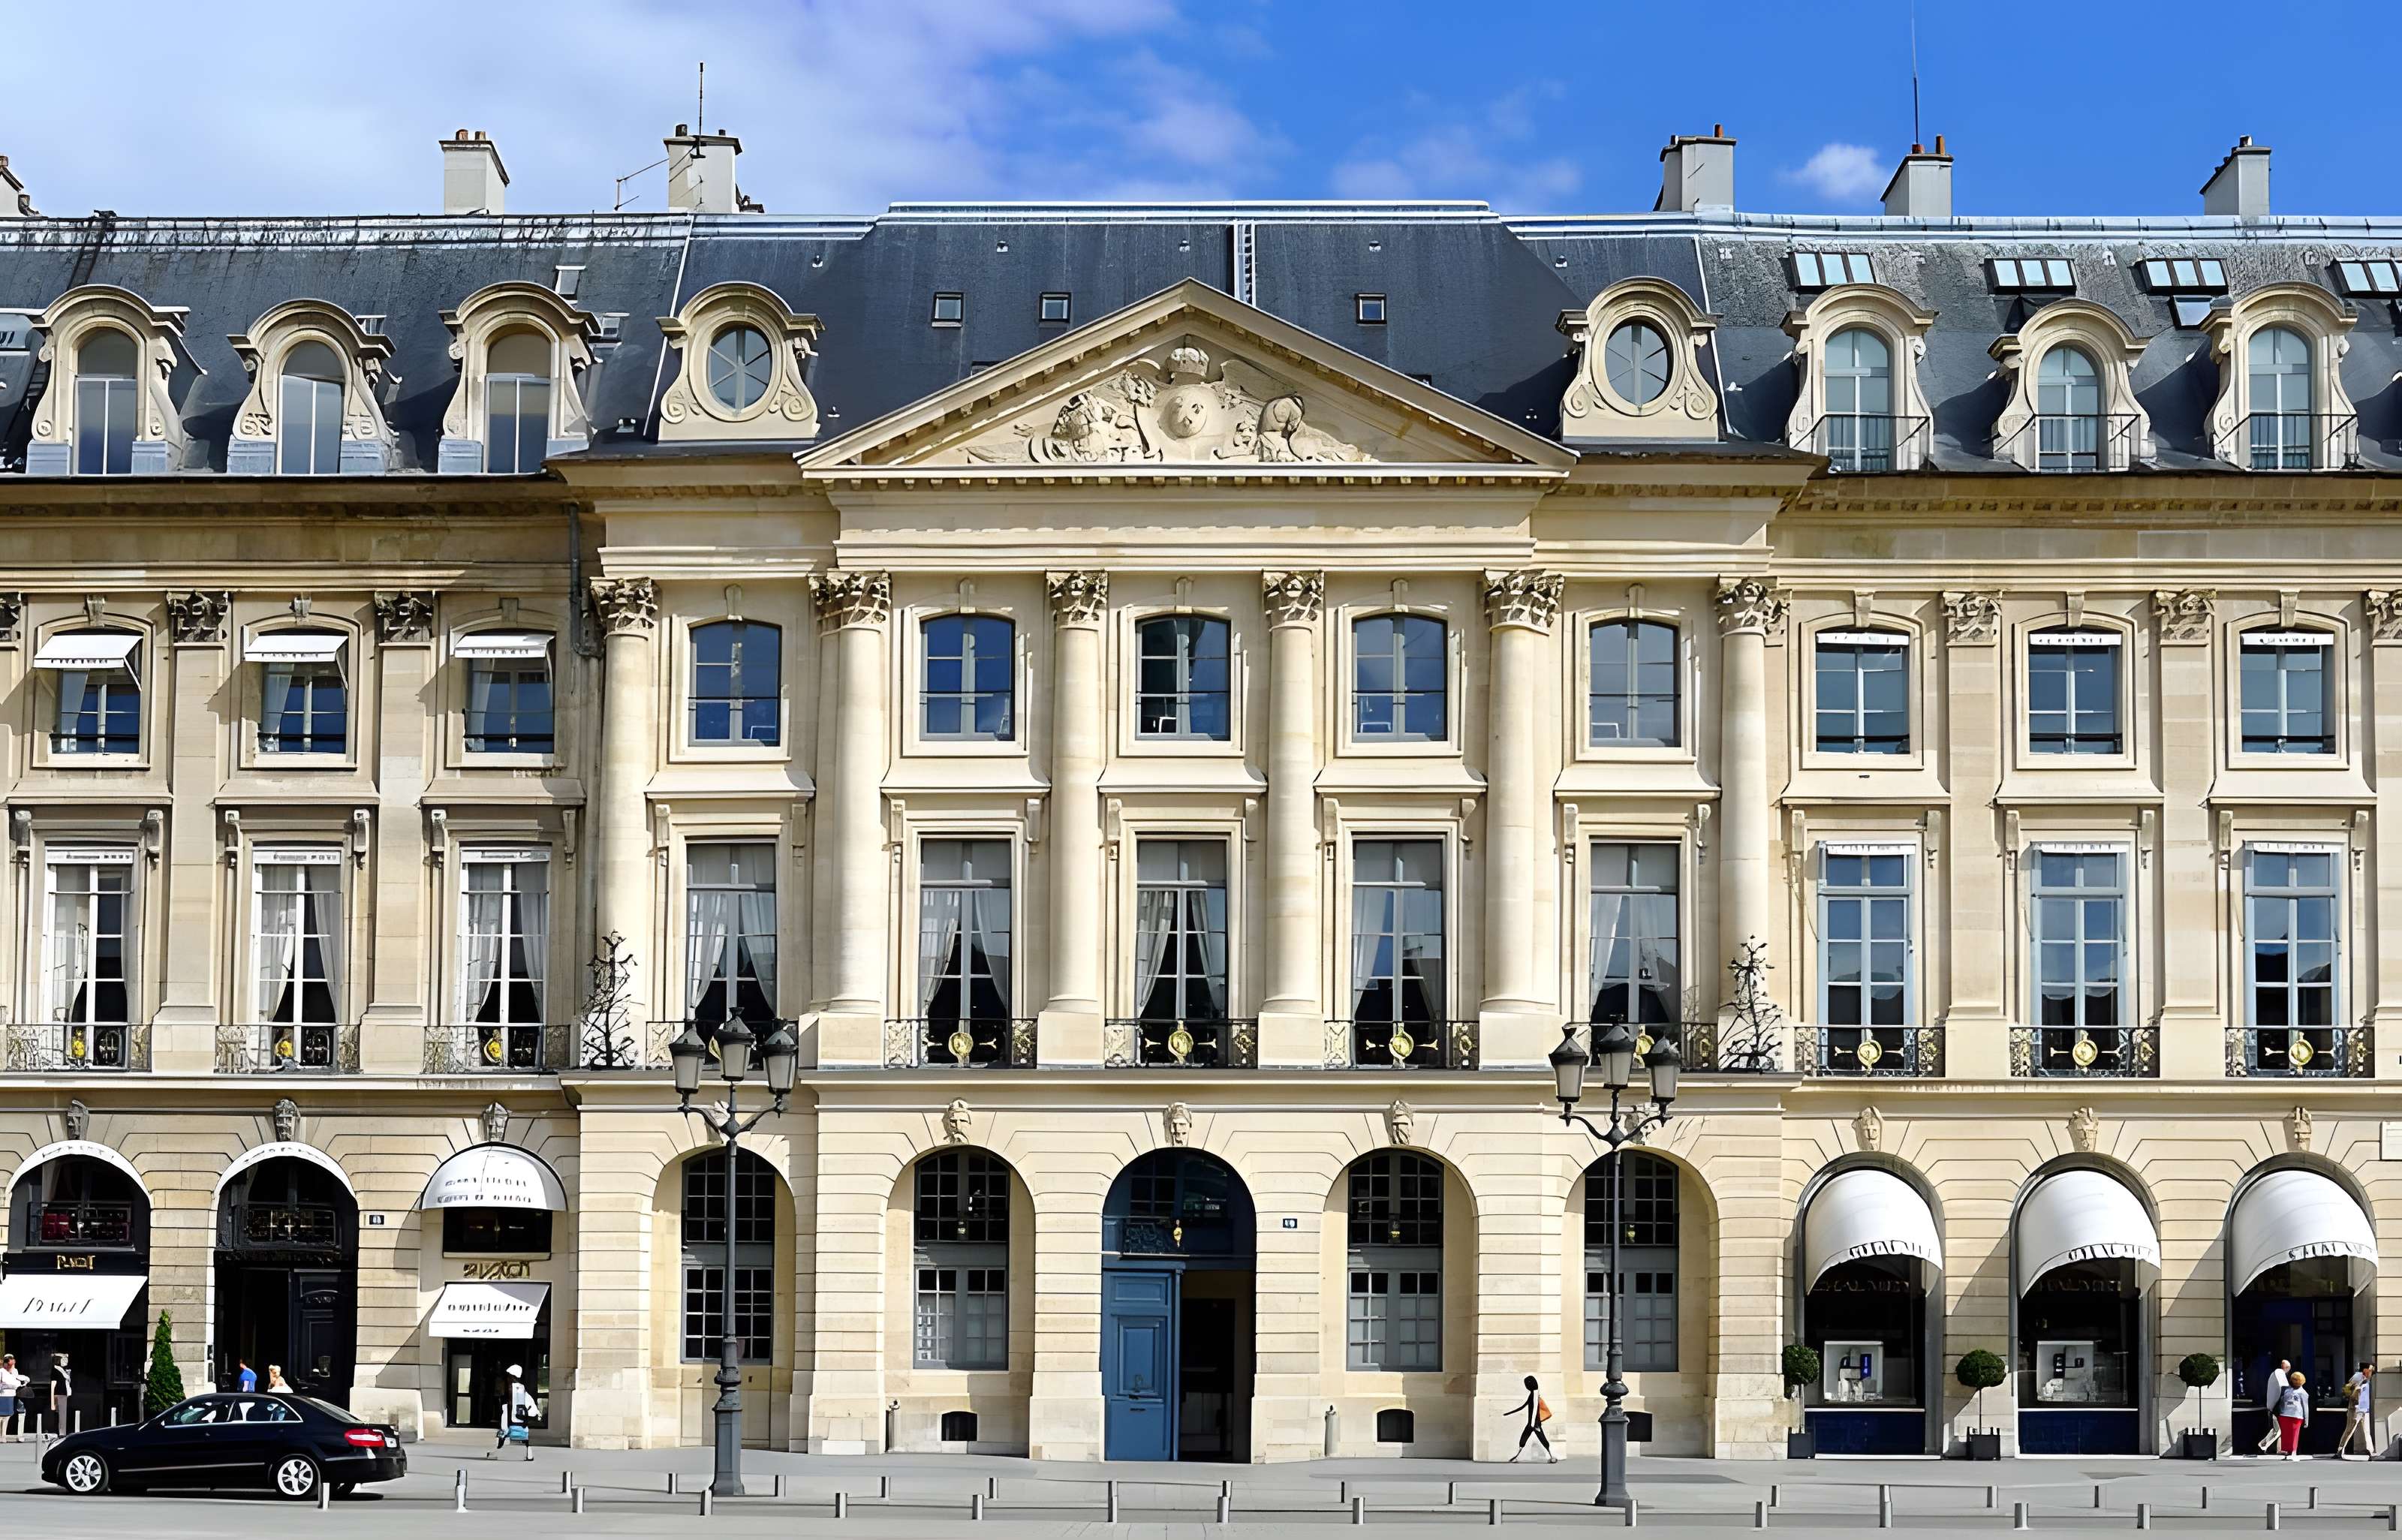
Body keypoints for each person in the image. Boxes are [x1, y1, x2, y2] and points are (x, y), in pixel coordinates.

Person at [1507, 1375, 1559, 1463]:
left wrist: (1532, 1424)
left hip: (1534, 1423)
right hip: (1533, 1423)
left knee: (1540, 1439)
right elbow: (1524, 1406)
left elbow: (1534, 1409)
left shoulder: (1534, 1394)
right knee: (1525, 1438)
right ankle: (1516, 1456)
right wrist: (1510, 1413)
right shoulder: (1534, 1393)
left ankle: (1551, 1456)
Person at [494, 1366, 539, 1462]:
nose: (507, 1379)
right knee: (524, 1438)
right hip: (520, 1421)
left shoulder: (514, 1389)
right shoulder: (521, 1389)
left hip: (514, 1421)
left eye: (509, 1376)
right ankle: (529, 1453)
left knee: (503, 1432)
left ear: (513, 1377)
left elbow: (512, 1405)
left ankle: (499, 1449)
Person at [2339, 1363, 2375, 1460]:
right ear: (2365, 1370)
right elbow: (2348, 1390)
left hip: (2365, 1409)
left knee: (2367, 1431)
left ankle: (2370, 1451)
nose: (2372, 1372)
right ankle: (2340, 1450)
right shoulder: (2357, 1377)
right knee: (2349, 1430)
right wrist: (2357, 1387)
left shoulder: (2367, 1379)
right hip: (2355, 1409)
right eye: (2370, 1370)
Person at [2258, 1358, 2293, 1454]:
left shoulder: (2275, 1375)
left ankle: (2279, 1449)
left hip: (2274, 1407)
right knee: (2278, 1431)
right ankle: (2262, 1445)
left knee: (2277, 1430)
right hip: (2277, 1408)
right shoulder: (2280, 1374)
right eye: (2288, 1368)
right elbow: (2283, 1390)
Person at [2277, 1371, 2312, 1460]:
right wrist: (2281, 1412)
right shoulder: (2287, 1391)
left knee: (2294, 1434)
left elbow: (2305, 1406)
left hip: (2296, 1416)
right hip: (2285, 1415)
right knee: (2286, 1434)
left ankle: (2293, 1451)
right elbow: (2282, 1402)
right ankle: (2287, 1451)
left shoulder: (2303, 1393)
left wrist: (2306, 1420)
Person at [0, 1353, 25, 1443]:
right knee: (2, 1416)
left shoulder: (15, 1371)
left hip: (13, 1395)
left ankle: (18, 1435)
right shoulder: (2, 1371)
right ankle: (2, 1436)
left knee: (17, 1412)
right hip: (3, 1395)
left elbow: (16, 1382)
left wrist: (21, 1382)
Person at [47, 1354, 71, 1435]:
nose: (65, 1362)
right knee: (62, 1415)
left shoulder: (62, 1370)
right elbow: (53, 1386)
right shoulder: (55, 1370)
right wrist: (52, 1403)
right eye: (63, 1359)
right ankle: (62, 1434)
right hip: (59, 1394)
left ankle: (60, 1433)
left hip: (63, 1394)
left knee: (61, 1415)